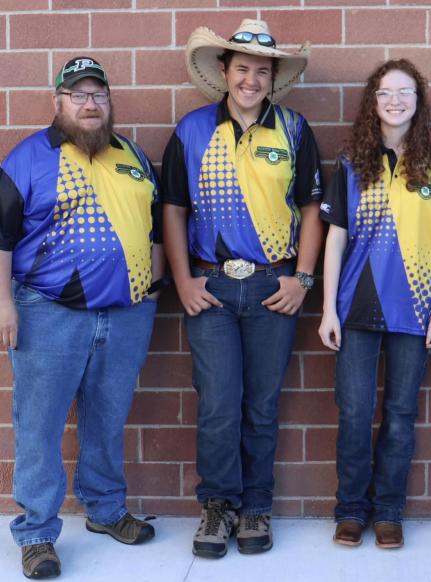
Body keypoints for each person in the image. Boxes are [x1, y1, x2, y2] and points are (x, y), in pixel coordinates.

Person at [0, 56, 164, 579]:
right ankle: (35, 533)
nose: (89, 103)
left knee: (106, 417)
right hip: (48, 314)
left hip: (124, 316)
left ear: (109, 102)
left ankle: (105, 510)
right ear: (58, 103)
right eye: (77, 94)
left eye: (98, 94)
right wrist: (1, 302)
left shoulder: (132, 156)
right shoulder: (29, 157)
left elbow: (153, 232)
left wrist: (151, 291)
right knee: (40, 424)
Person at [161, 20, 323, 558]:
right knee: (218, 404)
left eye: (261, 70)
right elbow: (174, 210)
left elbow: (310, 209)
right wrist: (182, 279)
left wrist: (302, 278)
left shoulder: (295, 130)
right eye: (242, 68)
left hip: (273, 286)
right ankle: (218, 505)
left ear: (272, 78)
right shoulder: (191, 130)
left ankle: (255, 504)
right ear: (224, 72)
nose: (250, 79)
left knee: (261, 404)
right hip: (209, 285)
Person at [318, 59, 431, 549]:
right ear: (371, 102)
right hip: (355, 308)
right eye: (385, 93)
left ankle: (389, 511)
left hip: (416, 309)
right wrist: (328, 309)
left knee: (400, 413)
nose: (395, 101)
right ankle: (351, 510)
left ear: (419, 101)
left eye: (405, 93)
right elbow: (335, 239)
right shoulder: (352, 161)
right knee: (354, 412)